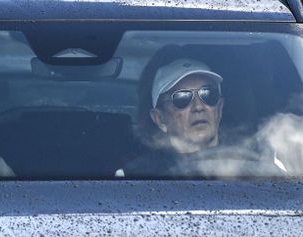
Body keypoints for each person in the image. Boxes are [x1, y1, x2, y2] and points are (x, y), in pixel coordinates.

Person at [117, 57, 281, 177]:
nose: (198, 106)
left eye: (208, 95)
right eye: (182, 98)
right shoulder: (136, 176)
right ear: (160, 119)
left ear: (220, 108)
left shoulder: (260, 169)